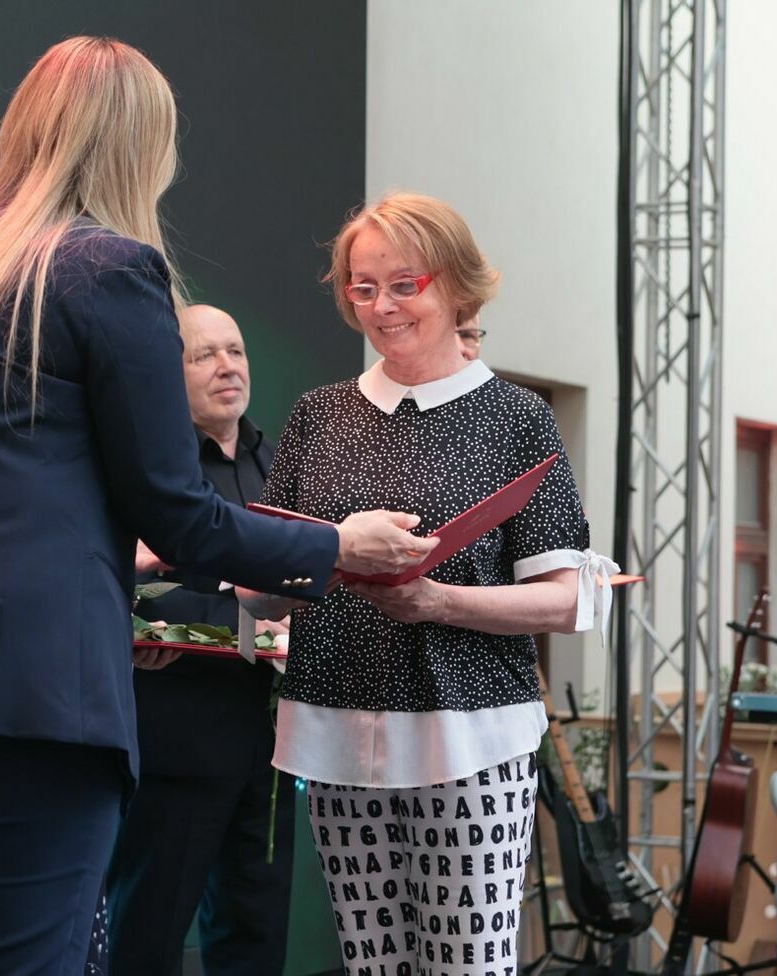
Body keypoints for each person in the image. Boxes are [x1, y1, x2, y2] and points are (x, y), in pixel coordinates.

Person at [0, 37, 429, 976]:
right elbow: (178, 513)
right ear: (138, 148)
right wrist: (335, 546)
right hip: (18, 691)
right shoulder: (110, 268)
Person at [241, 192, 618, 976]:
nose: (381, 306)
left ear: (456, 287)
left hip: (471, 734)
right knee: (373, 964)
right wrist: (312, 559)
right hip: (338, 727)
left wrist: (435, 600)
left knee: (468, 965)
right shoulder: (319, 415)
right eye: (363, 287)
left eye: (403, 285)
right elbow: (259, 592)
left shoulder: (516, 417)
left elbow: (566, 597)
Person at [108, 304, 297, 976]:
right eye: (203, 355)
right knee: (146, 934)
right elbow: (131, 590)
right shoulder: (147, 470)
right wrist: (246, 615)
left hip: (270, 749)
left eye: (236, 351)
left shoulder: (280, 464)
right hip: (176, 743)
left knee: (257, 936)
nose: (227, 366)